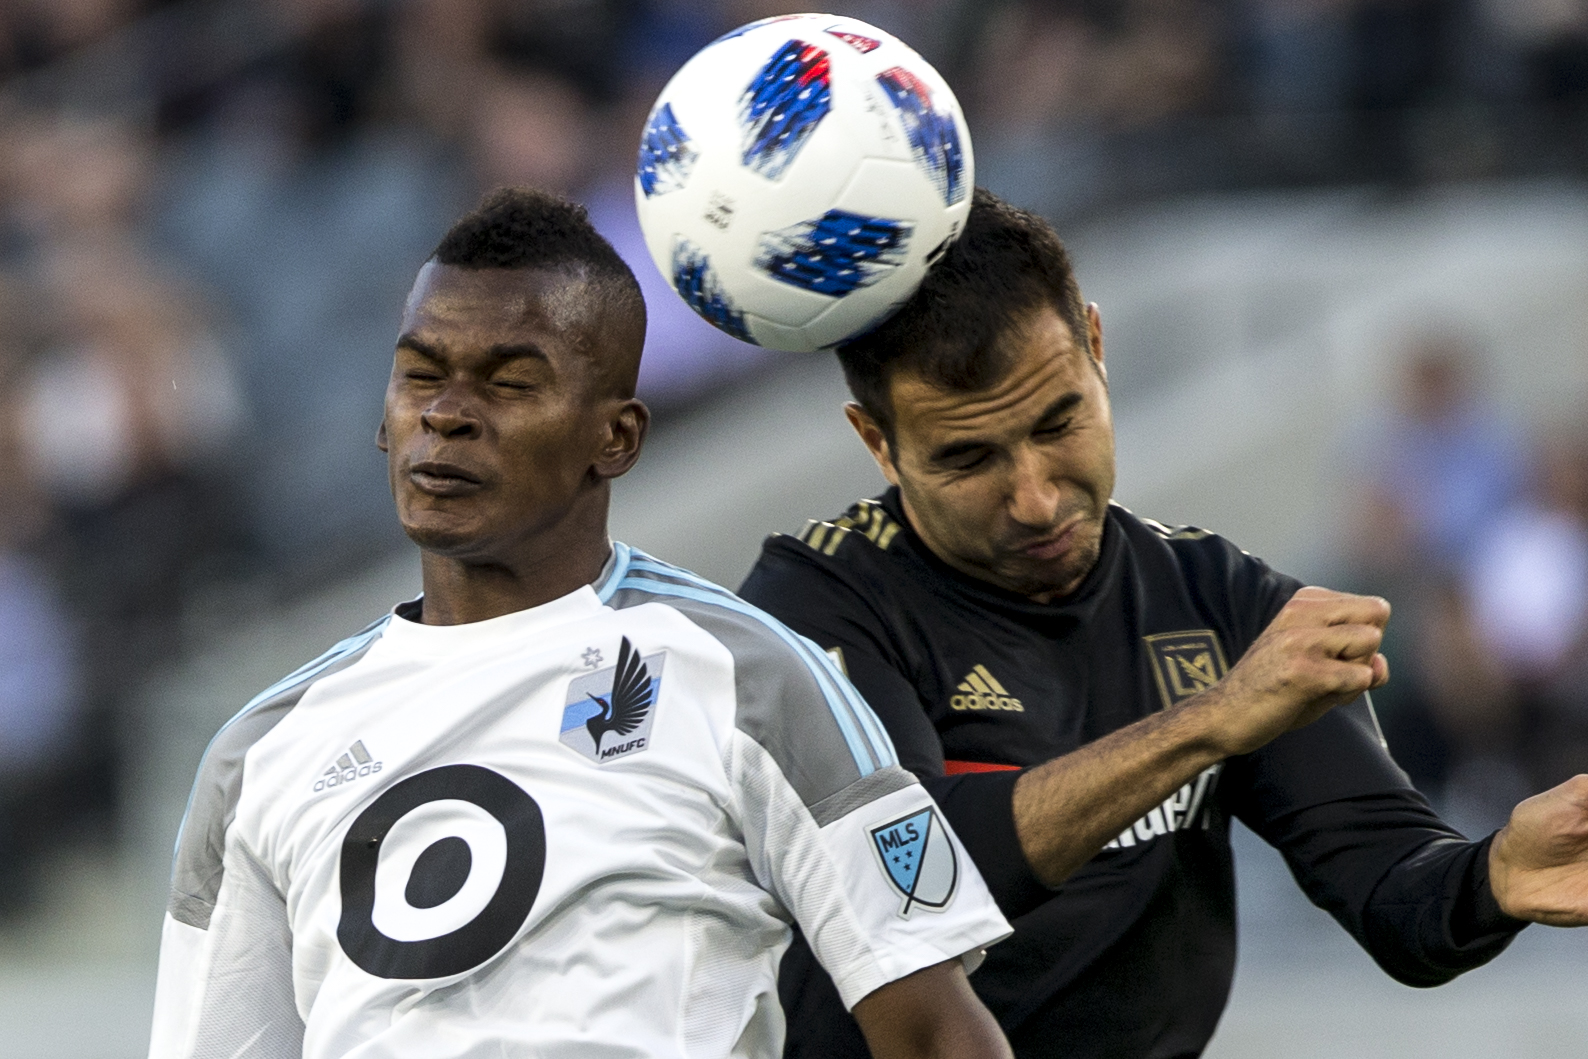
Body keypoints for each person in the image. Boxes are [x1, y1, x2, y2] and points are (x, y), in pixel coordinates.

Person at [146, 188, 1018, 1059]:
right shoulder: (260, 753)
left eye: (512, 383)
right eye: (420, 374)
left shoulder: (750, 678)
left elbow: (939, 1033)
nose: (445, 414)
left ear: (617, 438)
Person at [737, 188, 1588, 1059]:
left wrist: (1496, 876)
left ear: (1098, 349)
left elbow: (1396, 895)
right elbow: (913, 882)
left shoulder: (1216, 598)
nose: (1034, 498)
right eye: (969, 457)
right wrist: (1209, 721)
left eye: (1059, 421)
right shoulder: (810, 606)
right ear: (877, 441)